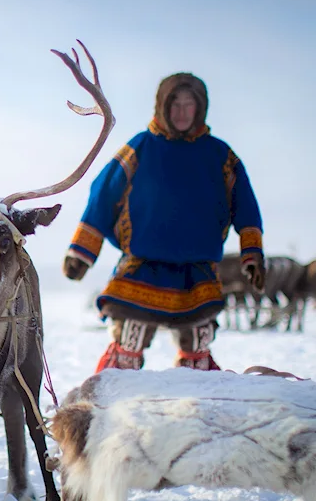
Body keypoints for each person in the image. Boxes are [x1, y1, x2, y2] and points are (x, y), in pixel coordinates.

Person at [63, 72, 266, 372]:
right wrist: (81, 252)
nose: (182, 112)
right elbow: (103, 194)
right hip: (142, 267)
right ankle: (112, 410)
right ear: (162, 106)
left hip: (196, 272)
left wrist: (253, 253)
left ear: (200, 108)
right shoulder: (141, 147)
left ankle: (193, 412)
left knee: (198, 347)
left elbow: (245, 203)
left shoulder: (220, 154)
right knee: (127, 347)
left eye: (189, 105)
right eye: (175, 105)